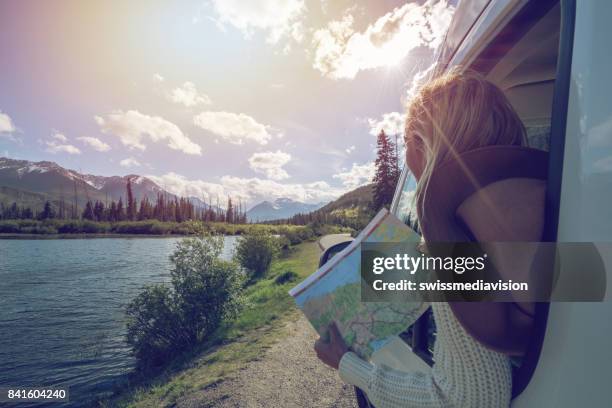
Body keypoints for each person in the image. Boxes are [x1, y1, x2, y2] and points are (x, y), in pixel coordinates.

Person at [314, 68, 547, 407]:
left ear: (425, 147)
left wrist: (349, 365)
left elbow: (468, 401)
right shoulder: (542, 199)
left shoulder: (452, 233)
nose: (408, 156)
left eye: (409, 141)